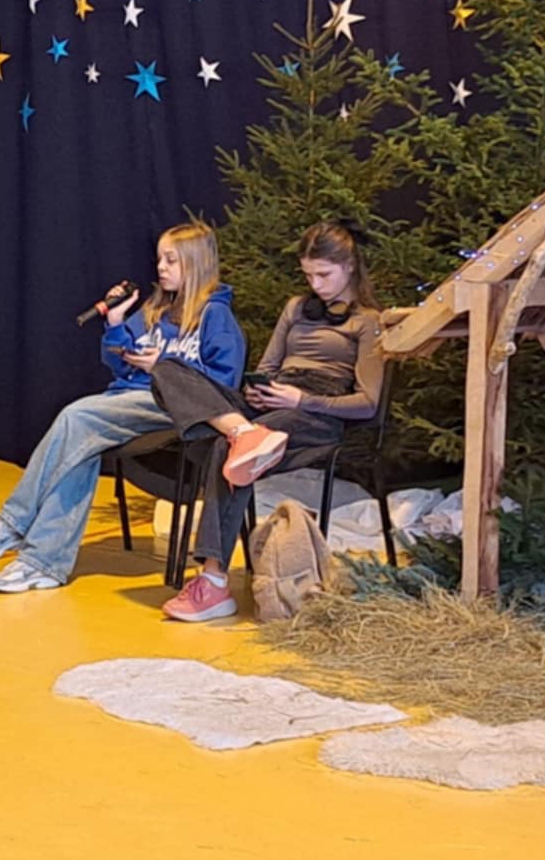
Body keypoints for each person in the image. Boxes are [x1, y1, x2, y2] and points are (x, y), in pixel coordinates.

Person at [0, 222, 246, 591]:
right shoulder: (156, 309)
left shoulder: (216, 317)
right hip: (130, 400)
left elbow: (223, 385)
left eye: (171, 260)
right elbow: (119, 364)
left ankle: (13, 524)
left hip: (175, 407)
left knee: (77, 416)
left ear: (195, 263)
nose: (160, 267)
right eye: (159, 259)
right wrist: (115, 323)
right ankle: (42, 563)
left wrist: (164, 366)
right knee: (81, 449)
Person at [152, 219, 385, 622]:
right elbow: (267, 366)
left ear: (349, 267)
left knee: (227, 449)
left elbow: (368, 403)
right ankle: (242, 430)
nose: (315, 285)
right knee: (167, 368)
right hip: (273, 400)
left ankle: (213, 581)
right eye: (308, 275)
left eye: (324, 275)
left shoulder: (366, 321)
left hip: (316, 410)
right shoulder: (296, 308)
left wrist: (303, 399)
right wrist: (256, 391)